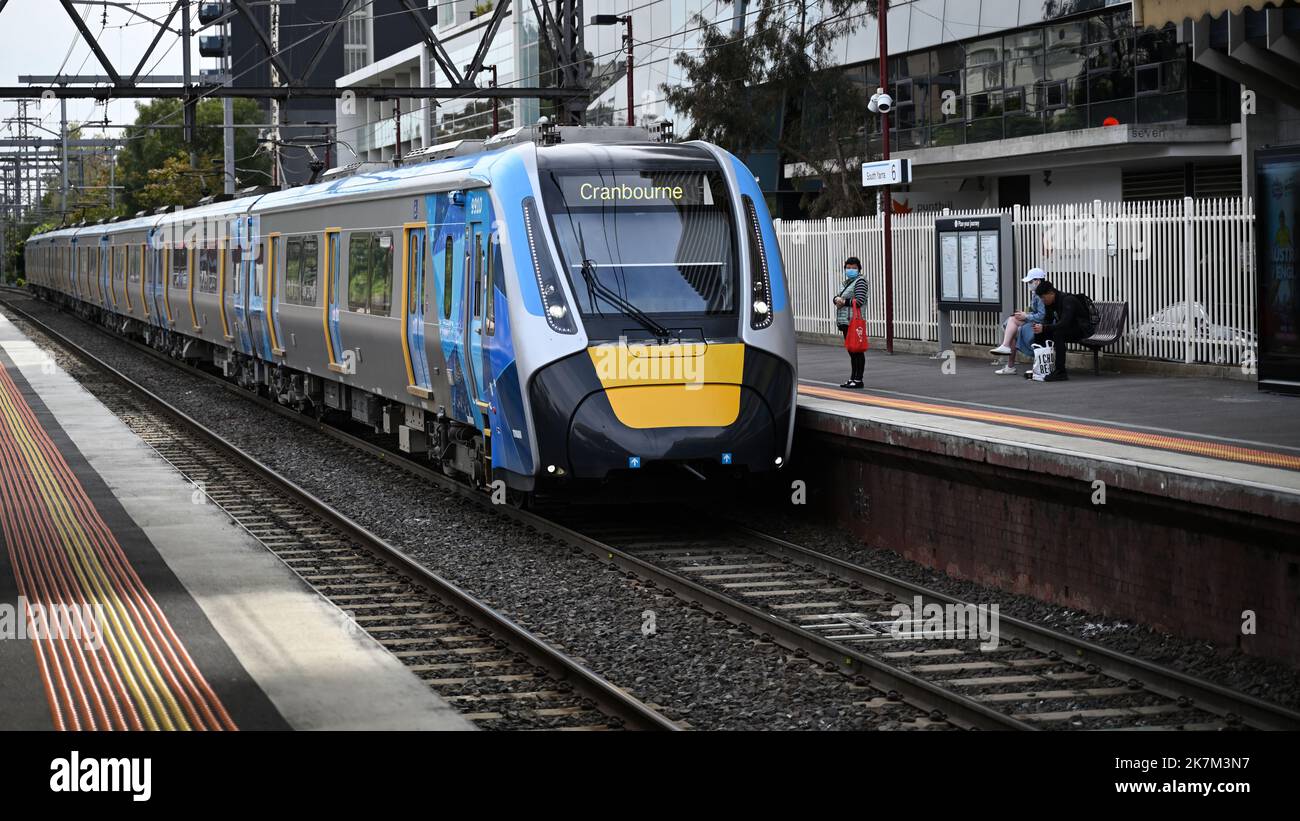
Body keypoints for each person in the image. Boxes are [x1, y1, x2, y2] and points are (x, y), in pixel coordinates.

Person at [1028, 280, 1096, 381]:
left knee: (1058, 333)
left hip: (1083, 330)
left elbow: (1064, 323)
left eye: (1043, 297)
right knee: (1040, 333)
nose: (1042, 300)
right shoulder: (1050, 303)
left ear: (1051, 293)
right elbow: (1048, 320)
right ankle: (1041, 368)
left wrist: (1045, 327)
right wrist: (1041, 327)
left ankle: (1061, 372)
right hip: (1069, 328)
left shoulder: (1067, 300)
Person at [990, 267, 1048, 375]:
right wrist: (1024, 315)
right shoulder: (1037, 293)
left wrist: (1026, 316)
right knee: (1012, 323)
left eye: (1030, 281)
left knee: (1012, 322)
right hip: (1038, 322)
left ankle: (1007, 351)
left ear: (1038, 281)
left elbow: (1042, 316)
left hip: (1042, 325)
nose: (1029, 284)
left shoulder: (1041, 295)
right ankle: (1006, 351)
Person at [833, 256, 869, 388]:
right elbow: (838, 296)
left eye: (854, 268)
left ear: (859, 269)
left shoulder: (860, 282)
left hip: (853, 321)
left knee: (857, 351)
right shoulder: (846, 282)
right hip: (845, 321)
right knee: (851, 351)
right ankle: (853, 378)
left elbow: (859, 301)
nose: (851, 270)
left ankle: (858, 379)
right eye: (848, 267)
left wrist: (843, 301)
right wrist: (836, 299)